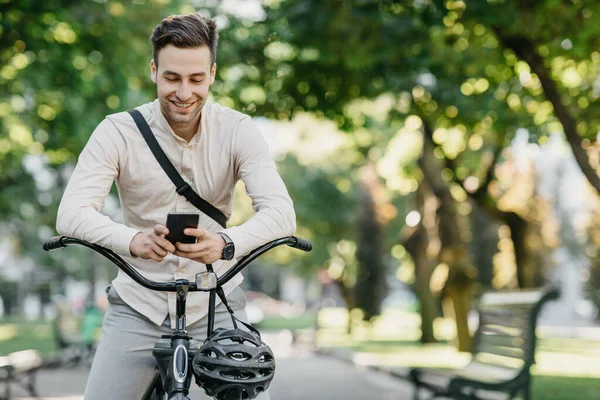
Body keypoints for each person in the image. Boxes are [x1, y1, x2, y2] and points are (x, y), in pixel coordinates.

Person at [56, 13, 296, 399]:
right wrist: (131, 239)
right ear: (154, 70)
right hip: (138, 303)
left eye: (196, 79)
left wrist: (225, 244)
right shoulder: (117, 131)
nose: (184, 92)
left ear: (212, 74)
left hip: (216, 301)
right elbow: (71, 213)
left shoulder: (238, 130)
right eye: (172, 78)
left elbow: (281, 213)